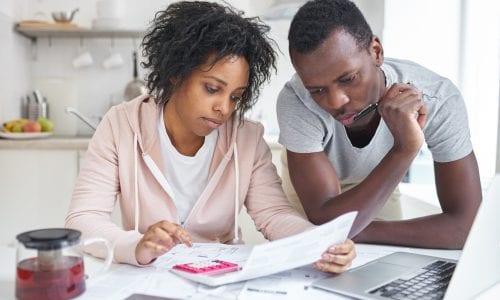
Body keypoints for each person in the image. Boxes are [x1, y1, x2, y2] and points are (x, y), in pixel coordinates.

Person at [65, 1, 355, 272]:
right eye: (212, 89)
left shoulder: (247, 138)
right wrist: (136, 245)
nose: (224, 108)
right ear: (176, 73)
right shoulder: (122, 124)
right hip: (148, 273)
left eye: (236, 97)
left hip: (221, 278)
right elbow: (84, 219)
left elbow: (274, 215)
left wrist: (319, 243)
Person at [277, 0, 482, 249]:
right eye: (317, 90)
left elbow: (465, 228)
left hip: (379, 179)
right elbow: (322, 214)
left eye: (348, 79)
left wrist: (345, 231)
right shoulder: (297, 101)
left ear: (376, 51)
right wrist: (404, 149)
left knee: (381, 268)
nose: (335, 102)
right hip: (313, 194)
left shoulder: (438, 98)